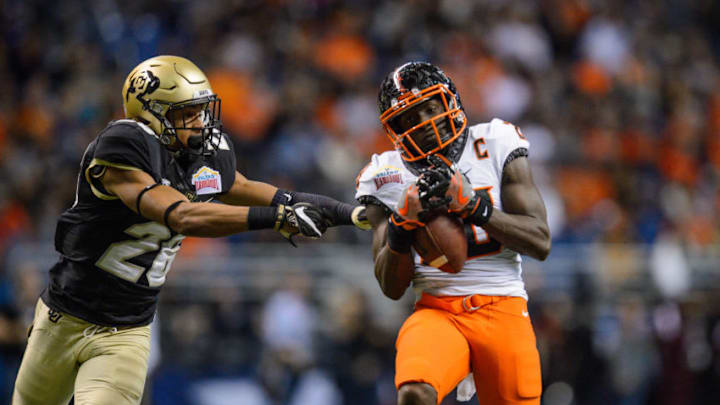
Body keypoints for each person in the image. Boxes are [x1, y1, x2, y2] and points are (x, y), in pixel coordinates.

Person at [12, 55, 369, 405]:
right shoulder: (124, 146)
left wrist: (349, 213)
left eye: (201, 110)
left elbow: (265, 192)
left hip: (126, 331)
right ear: (150, 113)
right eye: (186, 113)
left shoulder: (200, 155)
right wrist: (274, 219)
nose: (200, 122)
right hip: (62, 317)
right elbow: (180, 216)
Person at [355, 61, 551, 405]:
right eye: (410, 119)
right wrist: (401, 226)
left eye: (430, 108)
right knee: (414, 393)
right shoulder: (384, 174)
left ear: (451, 102)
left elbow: (540, 241)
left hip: (502, 305)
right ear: (395, 130)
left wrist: (474, 206)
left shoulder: (495, 141)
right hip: (437, 309)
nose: (425, 124)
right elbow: (391, 286)